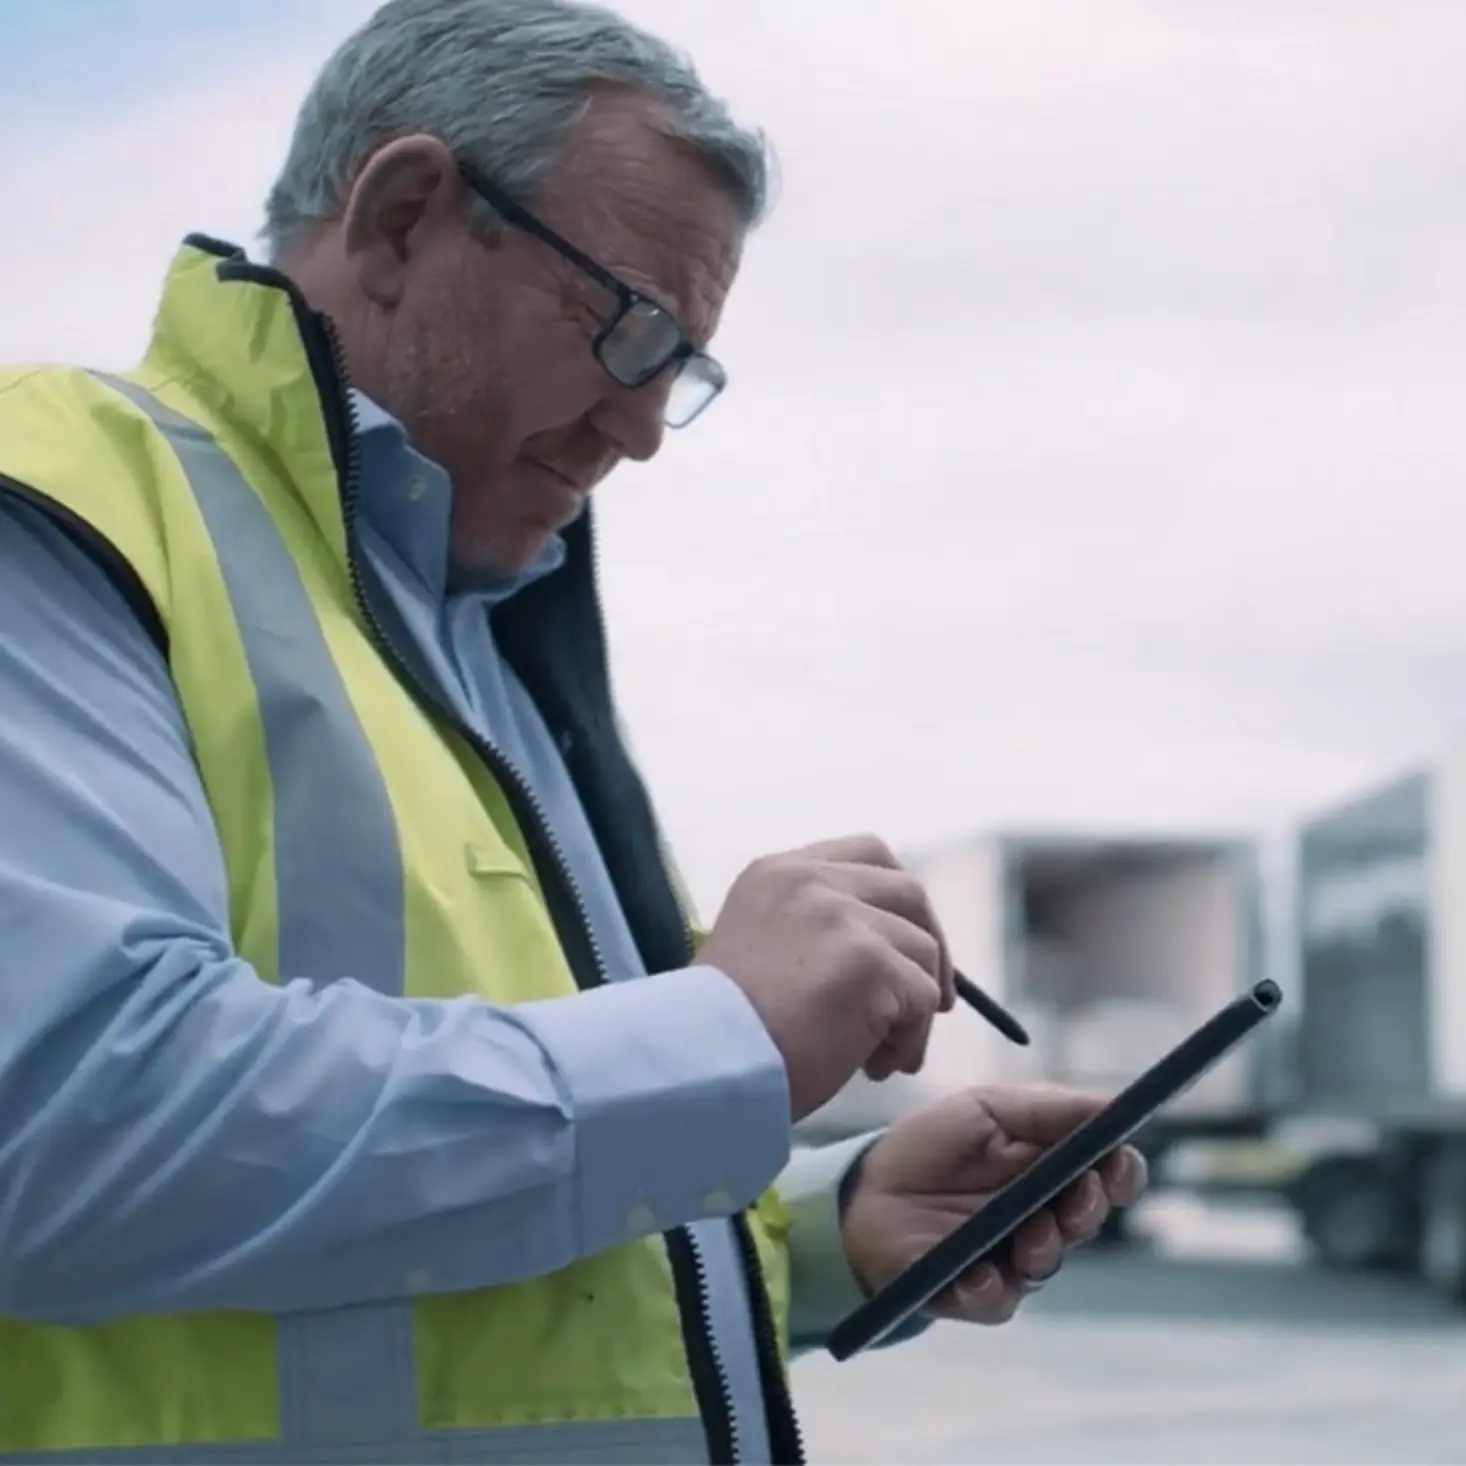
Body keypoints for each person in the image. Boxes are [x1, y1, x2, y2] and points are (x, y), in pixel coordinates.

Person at [0, 1, 1147, 1462]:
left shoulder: (481, 634)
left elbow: (477, 1246)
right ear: (405, 215)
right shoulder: (63, 501)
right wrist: (721, 1039)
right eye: (630, 326)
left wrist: (822, 1229)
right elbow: (72, 1138)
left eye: (685, 368)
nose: (645, 426)